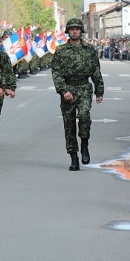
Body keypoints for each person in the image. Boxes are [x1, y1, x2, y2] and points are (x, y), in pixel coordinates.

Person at [51, 18, 104, 171]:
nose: (74, 31)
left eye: (77, 29)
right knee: (69, 124)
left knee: (85, 116)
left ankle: (85, 145)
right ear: (68, 31)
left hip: (84, 88)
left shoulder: (89, 49)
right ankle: (73, 157)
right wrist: (63, 90)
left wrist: (99, 90)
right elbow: (56, 72)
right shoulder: (61, 50)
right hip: (68, 88)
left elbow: (96, 71)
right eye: (72, 29)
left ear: (81, 31)